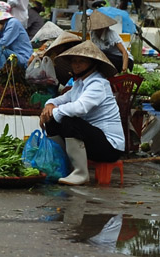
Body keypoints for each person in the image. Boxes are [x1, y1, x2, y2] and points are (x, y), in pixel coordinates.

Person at [39, 40, 125, 186]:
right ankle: (63, 165)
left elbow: (80, 108)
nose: (77, 65)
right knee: (53, 120)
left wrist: (55, 111)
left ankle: (80, 173)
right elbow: (61, 99)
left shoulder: (98, 84)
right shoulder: (79, 84)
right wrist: (50, 106)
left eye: (82, 61)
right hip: (91, 142)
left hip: (110, 147)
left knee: (69, 121)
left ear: (92, 64)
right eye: (74, 61)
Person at [0, 1, 33, 71]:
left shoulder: (13, 22)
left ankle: (3, 74)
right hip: (11, 55)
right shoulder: (3, 26)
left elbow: (3, 43)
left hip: (23, 59)